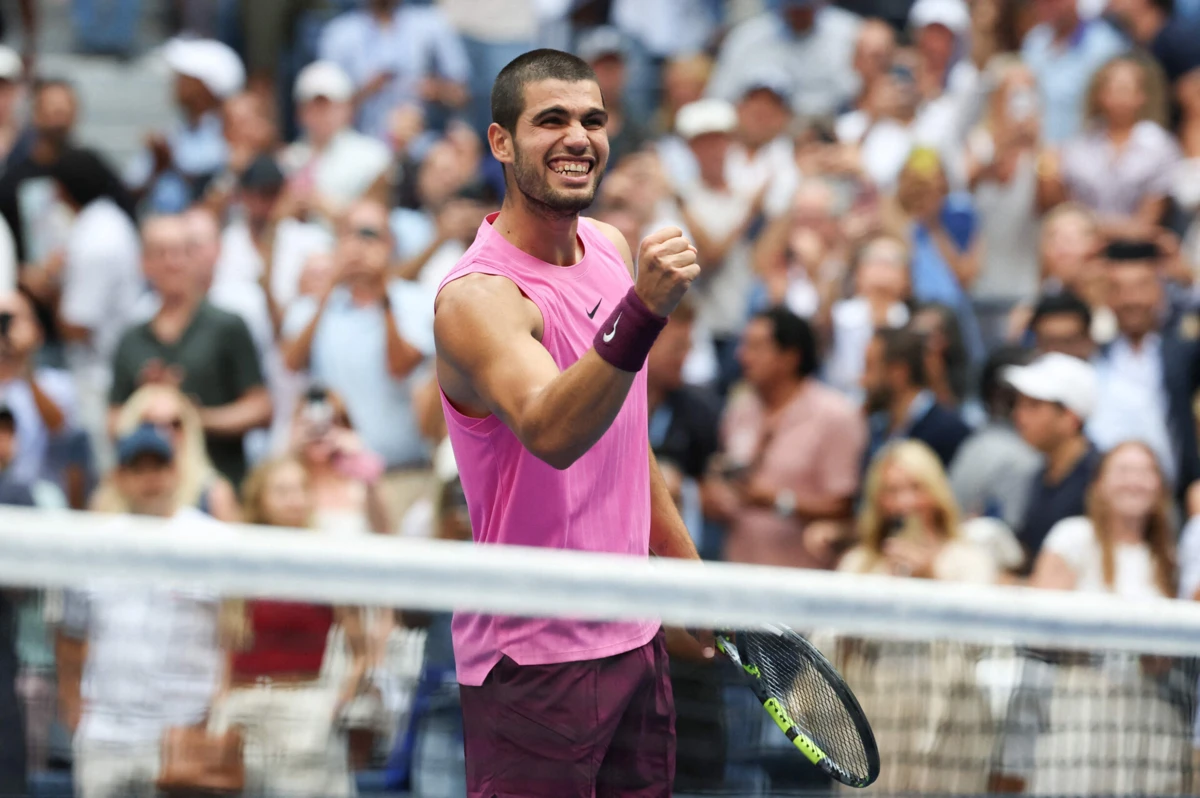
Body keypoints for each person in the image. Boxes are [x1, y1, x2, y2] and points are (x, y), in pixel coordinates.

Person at [432, 49, 707, 796]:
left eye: (592, 119)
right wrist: (643, 312)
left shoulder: (613, 250)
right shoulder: (477, 298)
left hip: (635, 640)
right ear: (500, 143)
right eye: (550, 119)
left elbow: (625, 446)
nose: (578, 137)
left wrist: (689, 583)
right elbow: (554, 433)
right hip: (533, 660)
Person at [58, 424, 223, 798]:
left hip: (183, 730)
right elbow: (70, 633)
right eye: (139, 469)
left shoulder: (213, 541)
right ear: (119, 478)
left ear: (175, 472)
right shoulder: (93, 546)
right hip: (105, 733)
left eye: (159, 467)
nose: (151, 479)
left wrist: (215, 713)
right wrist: (73, 706)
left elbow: (234, 635)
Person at [1027, 441, 1186, 794]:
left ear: (1159, 485)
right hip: (1079, 708)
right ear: (1099, 483)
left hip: (1146, 715)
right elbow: (1036, 629)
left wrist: (1152, 655)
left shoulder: (1166, 558)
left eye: (1145, 472)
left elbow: (1163, 662)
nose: (1135, 481)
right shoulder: (1073, 537)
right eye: (1124, 471)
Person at [212, 457, 366, 798]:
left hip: (303, 708)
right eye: (282, 490)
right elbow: (228, 645)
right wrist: (221, 704)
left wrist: (337, 702)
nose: (294, 499)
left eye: (301, 489)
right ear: (261, 498)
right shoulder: (240, 561)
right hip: (244, 710)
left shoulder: (326, 560)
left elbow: (361, 649)